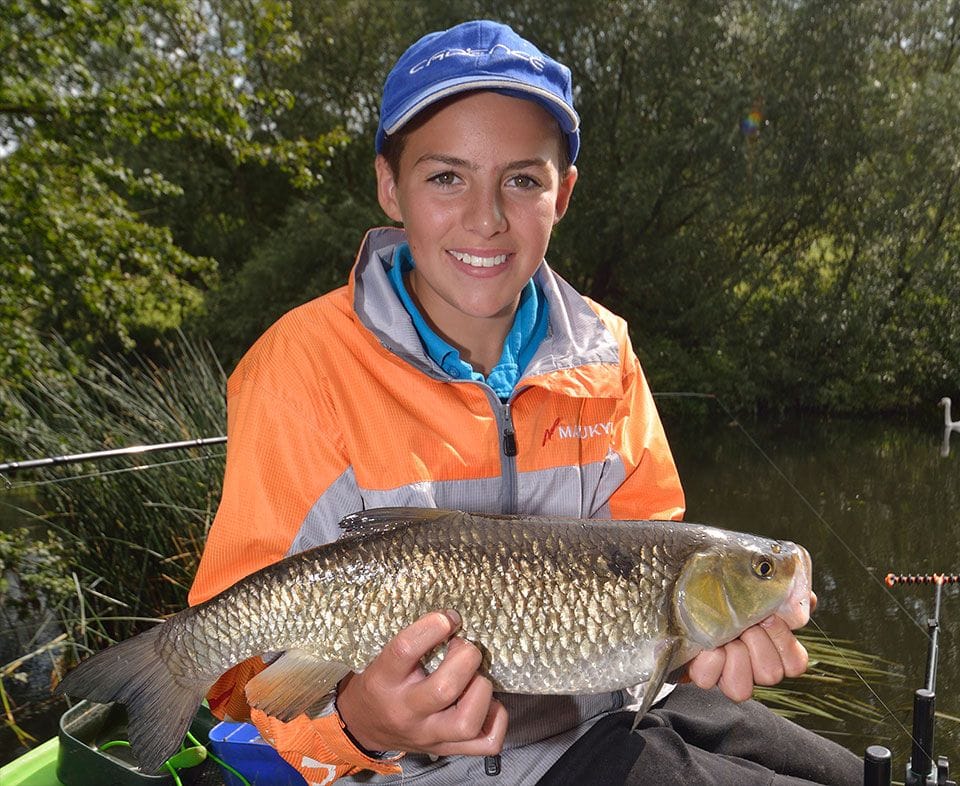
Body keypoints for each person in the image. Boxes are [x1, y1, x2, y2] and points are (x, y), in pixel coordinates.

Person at [189, 19, 862, 786]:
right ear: (389, 184)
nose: (486, 217)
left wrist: (709, 637)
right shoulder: (297, 366)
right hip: (412, 771)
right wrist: (360, 726)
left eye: (522, 179)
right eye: (447, 177)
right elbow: (240, 678)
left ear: (563, 193)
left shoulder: (605, 350)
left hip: (608, 714)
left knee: (844, 772)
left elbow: (653, 553)